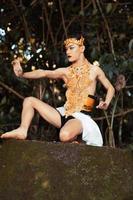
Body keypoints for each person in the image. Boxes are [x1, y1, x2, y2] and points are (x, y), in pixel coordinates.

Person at [0, 34, 115, 146]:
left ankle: (75, 139)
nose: (67, 52)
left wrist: (107, 102)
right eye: (66, 49)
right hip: (64, 114)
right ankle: (22, 130)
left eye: (71, 48)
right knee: (29, 101)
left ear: (82, 48)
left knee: (64, 135)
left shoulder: (94, 70)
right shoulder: (65, 71)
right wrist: (22, 74)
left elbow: (110, 88)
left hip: (81, 117)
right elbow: (44, 72)